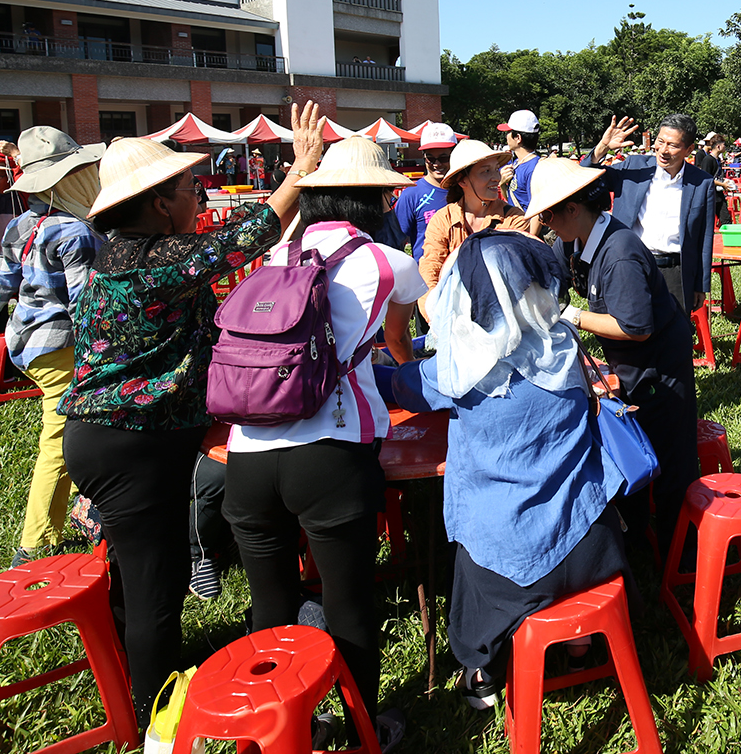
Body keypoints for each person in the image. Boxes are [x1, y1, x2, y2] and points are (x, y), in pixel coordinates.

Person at [58, 101, 324, 729]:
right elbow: (240, 242)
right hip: (130, 442)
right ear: (158, 203)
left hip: (113, 438)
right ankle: (155, 721)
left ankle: (127, 684)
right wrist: (300, 172)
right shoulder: (150, 262)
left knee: (136, 567)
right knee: (159, 583)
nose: (197, 194)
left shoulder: (127, 255)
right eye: (187, 187)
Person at [222, 137, 423, 748]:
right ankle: (363, 727)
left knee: (272, 606)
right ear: (379, 199)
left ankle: (279, 726)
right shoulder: (390, 262)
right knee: (348, 603)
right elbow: (403, 335)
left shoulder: (276, 254)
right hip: (332, 452)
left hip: (247, 453)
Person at [391, 230, 628, 710]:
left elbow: (399, 385)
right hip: (593, 541)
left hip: (506, 564)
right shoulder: (564, 344)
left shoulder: (458, 369)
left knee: (473, 561)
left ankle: (482, 673)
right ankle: (580, 649)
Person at [0, 127, 105, 567]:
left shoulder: (22, 223)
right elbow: (87, 307)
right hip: (60, 348)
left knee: (72, 432)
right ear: (69, 178)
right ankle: (35, 543)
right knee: (60, 440)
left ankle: (81, 510)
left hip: (25, 343)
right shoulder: (77, 232)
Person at [527, 156, 699, 550]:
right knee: (635, 456)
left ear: (572, 209)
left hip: (657, 370)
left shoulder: (619, 252)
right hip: (629, 367)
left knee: (669, 466)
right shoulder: (573, 241)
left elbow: (634, 328)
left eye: (549, 216)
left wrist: (569, 314)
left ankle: (679, 555)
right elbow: (549, 275)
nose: (547, 224)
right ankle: (642, 542)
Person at [581, 113, 717, 311]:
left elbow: (704, 238)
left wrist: (700, 285)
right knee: (627, 328)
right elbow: (585, 178)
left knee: (672, 334)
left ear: (688, 150)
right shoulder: (633, 167)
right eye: (660, 141)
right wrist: (602, 147)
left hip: (675, 270)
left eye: (672, 145)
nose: (663, 150)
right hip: (630, 264)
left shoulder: (702, 183)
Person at [417, 140, 537, 294]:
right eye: (486, 171)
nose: (496, 177)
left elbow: (514, 275)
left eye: (496, 169)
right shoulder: (442, 220)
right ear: (462, 180)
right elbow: (431, 270)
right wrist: (434, 311)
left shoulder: (513, 219)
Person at [378, 121, 457, 258]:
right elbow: (396, 242)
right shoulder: (412, 194)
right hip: (427, 275)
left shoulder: (467, 188)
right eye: (430, 158)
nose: (437, 164)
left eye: (444, 158)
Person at [496, 109, 541, 211]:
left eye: (508, 132)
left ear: (518, 138)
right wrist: (502, 184)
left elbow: (536, 211)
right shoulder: (516, 163)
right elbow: (512, 202)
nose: (506, 136)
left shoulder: (533, 168)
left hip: (527, 226)